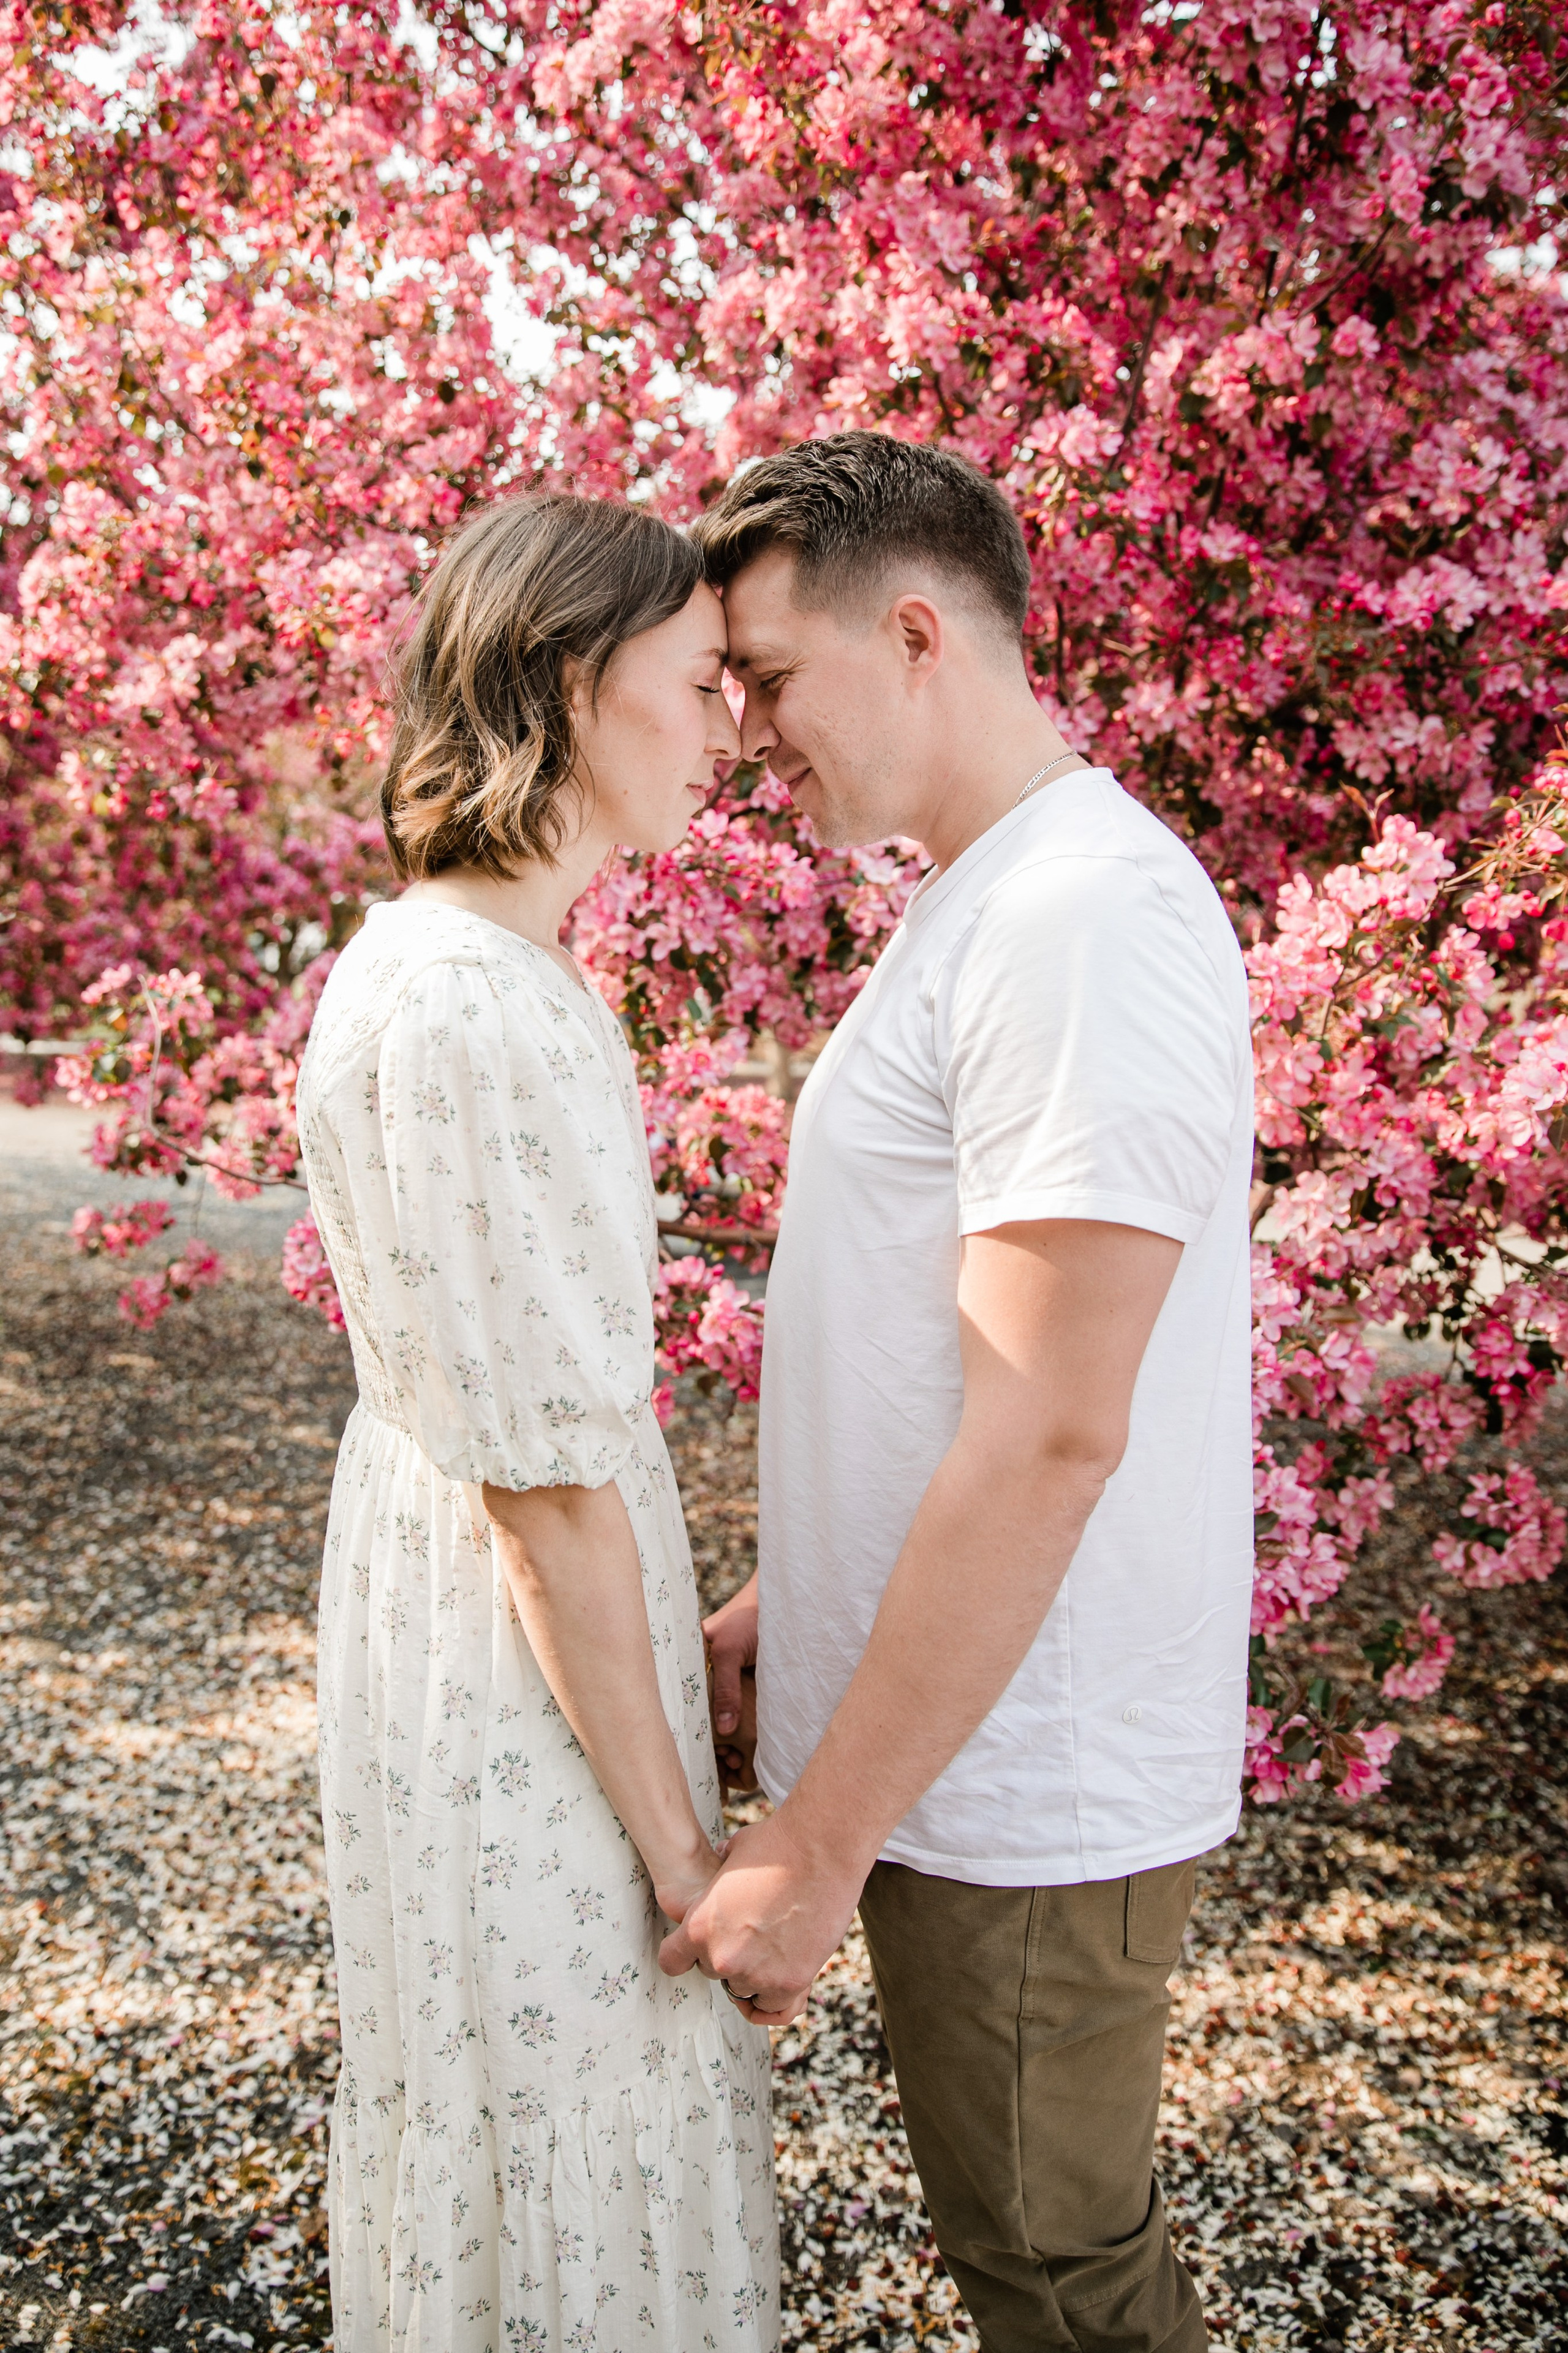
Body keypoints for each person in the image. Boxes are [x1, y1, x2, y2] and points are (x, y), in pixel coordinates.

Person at [664, 432, 1254, 2353]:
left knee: (1061, 2280)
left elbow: (1052, 1425)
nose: (746, 732)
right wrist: (793, 1605)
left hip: (1024, 1782)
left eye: (764, 675)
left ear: (915, 631)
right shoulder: (987, 900)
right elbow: (942, 1352)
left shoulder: (1077, 916)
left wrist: (816, 1845)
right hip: (966, 1742)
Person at [296, 496, 778, 2353]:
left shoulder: (478, 971)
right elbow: (548, 1503)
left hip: (482, 1609)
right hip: (513, 1650)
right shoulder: (474, 1006)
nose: (729, 728)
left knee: (520, 2100)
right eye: (699, 682)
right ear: (577, 685)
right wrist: (685, 1853)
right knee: (577, 2067)